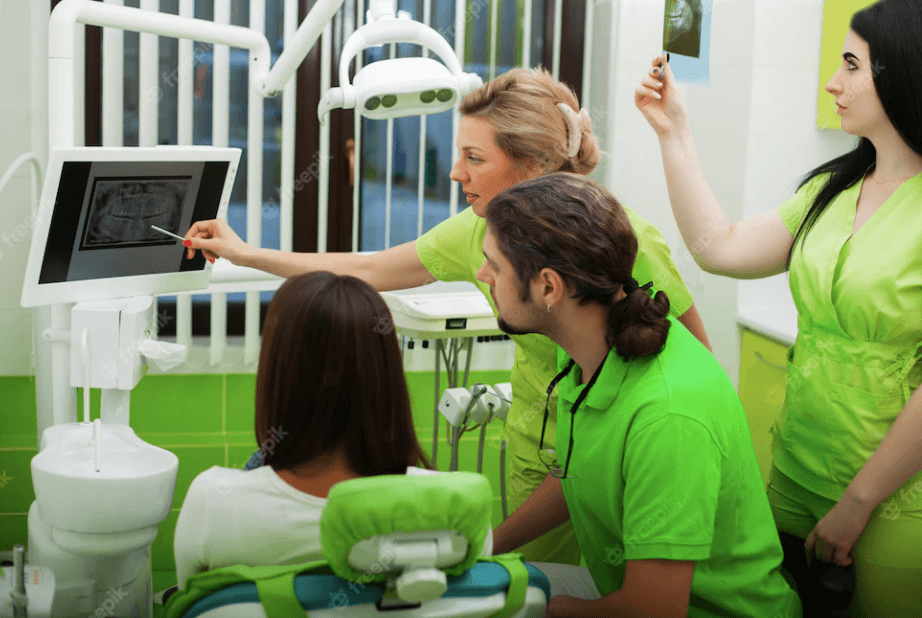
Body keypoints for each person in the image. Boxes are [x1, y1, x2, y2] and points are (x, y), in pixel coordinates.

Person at [183, 67, 712, 565]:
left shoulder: (624, 244)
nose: (455, 172)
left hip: (624, 458)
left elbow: (695, 365)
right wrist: (247, 254)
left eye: (474, 158)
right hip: (539, 458)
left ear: (534, 167)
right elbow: (368, 267)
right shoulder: (479, 230)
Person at [634, 1, 922, 615]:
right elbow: (720, 246)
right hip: (794, 475)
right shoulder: (834, 188)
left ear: (902, 74)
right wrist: (673, 133)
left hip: (895, 499)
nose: (832, 83)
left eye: (852, 65)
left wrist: (859, 503)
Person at [485, 172, 801, 618]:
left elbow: (652, 609)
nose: (483, 276)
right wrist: (485, 548)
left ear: (549, 287)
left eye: (494, 266)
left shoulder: (668, 415)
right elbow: (581, 471)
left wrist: (552, 609)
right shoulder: (586, 348)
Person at [173, 272, 444, 589]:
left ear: (277, 369)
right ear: (387, 369)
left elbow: (190, 601)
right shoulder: (447, 508)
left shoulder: (213, 503)